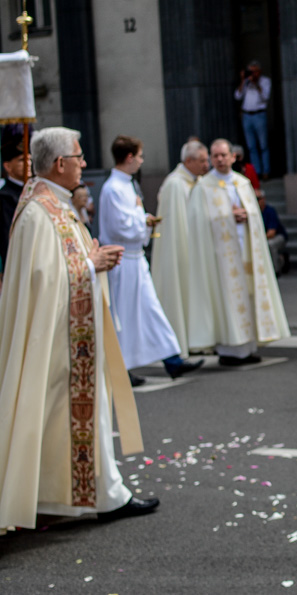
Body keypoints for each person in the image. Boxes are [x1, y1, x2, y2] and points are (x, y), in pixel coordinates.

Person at [0, 127, 158, 533]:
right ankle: (70, 499)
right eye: (79, 156)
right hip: (57, 340)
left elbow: (61, 264)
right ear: (60, 163)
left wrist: (91, 258)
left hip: (74, 335)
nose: (84, 163)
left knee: (84, 418)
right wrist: (92, 264)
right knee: (58, 417)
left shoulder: (56, 203)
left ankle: (101, 495)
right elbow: (43, 279)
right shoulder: (39, 211)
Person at [98, 134, 203, 382]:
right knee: (123, 315)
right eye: (140, 156)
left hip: (135, 257)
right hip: (122, 259)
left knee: (151, 308)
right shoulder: (113, 188)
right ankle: (121, 370)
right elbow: (120, 226)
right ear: (129, 157)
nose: (142, 161)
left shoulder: (127, 184)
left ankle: (172, 360)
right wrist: (141, 218)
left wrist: (142, 219)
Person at [186, 138, 289, 366]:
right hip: (221, 255)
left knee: (249, 295)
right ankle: (230, 349)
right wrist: (228, 216)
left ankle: (248, 347)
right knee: (227, 298)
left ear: (233, 157)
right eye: (215, 156)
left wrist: (247, 215)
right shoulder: (203, 187)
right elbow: (197, 223)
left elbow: (256, 216)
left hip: (247, 249)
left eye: (223, 155)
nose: (220, 159)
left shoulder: (242, 183)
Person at [150, 139, 210, 359]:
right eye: (202, 160)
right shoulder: (175, 184)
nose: (206, 165)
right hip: (182, 251)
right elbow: (177, 226)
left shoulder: (198, 181)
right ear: (188, 161)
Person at [0, 126, 31, 277]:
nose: (28, 163)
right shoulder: (4, 197)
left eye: (30, 159)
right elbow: (7, 240)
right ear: (7, 166)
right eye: (22, 160)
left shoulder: (36, 191)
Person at [234, 60, 272, 179]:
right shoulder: (246, 82)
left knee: (263, 145)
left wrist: (255, 83)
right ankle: (257, 172)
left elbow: (265, 96)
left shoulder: (265, 81)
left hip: (259, 115)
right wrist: (243, 80)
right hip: (247, 116)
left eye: (255, 71)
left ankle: (266, 171)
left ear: (259, 71)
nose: (252, 74)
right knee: (251, 147)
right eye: (250, 71)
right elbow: (237, 96)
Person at [256, 188, 288, 275]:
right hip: (262, 237)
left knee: (269, 244)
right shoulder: (253, 212)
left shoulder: (270, 211)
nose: (256, 201)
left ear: (264, 199)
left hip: (277, 236)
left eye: (258, 198)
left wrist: (258, 240)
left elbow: (271, 233)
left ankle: (275, 271)